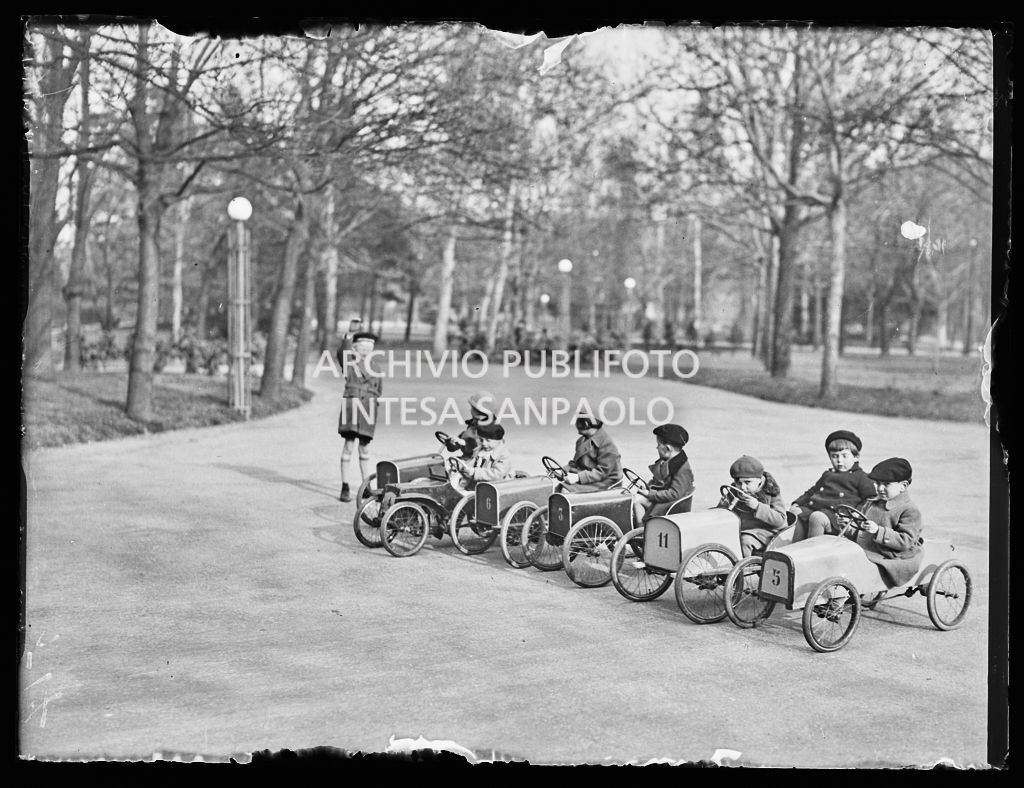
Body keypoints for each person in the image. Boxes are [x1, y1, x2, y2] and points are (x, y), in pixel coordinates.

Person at [789, 430, 876, 542]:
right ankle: (794, 547)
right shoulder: (828, 474)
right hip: (816, 509)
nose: (839, 461)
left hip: (837, 517)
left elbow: (870, 499)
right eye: (835, 456)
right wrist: (798, 502)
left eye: (844, 456)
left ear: (856, 457)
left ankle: (813, 552)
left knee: (817, 518)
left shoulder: (861, 477)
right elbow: (812, 491)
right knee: (794, 512)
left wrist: (856, 513)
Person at [851, 457, 924, 587]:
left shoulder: (909, 510)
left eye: (886, 484)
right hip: (867, 548)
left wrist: (878, 531)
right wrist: (848, 525)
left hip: (890, 555)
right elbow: (861, 530)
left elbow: (905, 541)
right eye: (878, 483)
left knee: (852, 564)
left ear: (903, 486)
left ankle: (841, 597)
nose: (880, 488)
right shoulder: (872, 503)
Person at [337, 328, 382, 502]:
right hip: (352, 408)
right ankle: (345, 486)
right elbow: (342, 353)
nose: (366, 350)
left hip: (368, 409)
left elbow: (379, 390)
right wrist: (347, 339)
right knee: (349, 445)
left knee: (364, 448)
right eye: (363, 347)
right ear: (355, 348)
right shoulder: (350, 363)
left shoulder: (376, 367)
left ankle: (366, 486)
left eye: (369, 347)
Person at [718, 455, 788, 557]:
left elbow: (780, 520)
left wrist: (757, 506)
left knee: (745, 540)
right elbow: (722, 513)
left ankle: (741, 570)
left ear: (759, 479)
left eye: (747, 482)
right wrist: (723, 506)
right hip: (743, 529)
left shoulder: (770, 491)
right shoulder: (734, 491)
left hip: (768, 533)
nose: (742, 487)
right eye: (738, 483)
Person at [631, 423, 695, 524]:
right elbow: (657, 481)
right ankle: (640, 531)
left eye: (658, 445)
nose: (657, 448)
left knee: (638, 501)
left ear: (668, 448)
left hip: (670, 505)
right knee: (636, 499)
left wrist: (649, 494)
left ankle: (643, 532)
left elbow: (674, 494)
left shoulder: (682, 468)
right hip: (663, 499)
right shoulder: (667, 461)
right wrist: (647, 488)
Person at [561, 413, 622, 493]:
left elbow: (602, 472)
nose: (577, 428)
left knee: (566, 490)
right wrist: (562, 470)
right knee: (560, 488)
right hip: (590, 477)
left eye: (578, 423)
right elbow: (577, 464)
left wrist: (578, 477)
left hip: (606, 482)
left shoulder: (607, 445)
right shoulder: (581, 441)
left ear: (586, 424)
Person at [452, 422, 513, 489]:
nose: (484, 443)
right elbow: (471, 461)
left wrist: (475, 472)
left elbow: (497, 474)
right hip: (478, 484)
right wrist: (460, 465)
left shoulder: (503, 455)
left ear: (499, 440)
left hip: (496, 486)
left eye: (488, 440)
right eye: (481, 440)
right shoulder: (480, 450)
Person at [442, 390, 496, 461]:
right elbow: (461, 441)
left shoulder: (487, 430)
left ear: (479, 411)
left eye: (472, 408)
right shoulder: (473, 425)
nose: (470, 410)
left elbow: (477, 444)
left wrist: (463, 442)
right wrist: (453, 443)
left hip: (477, 462)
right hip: (467, 459)